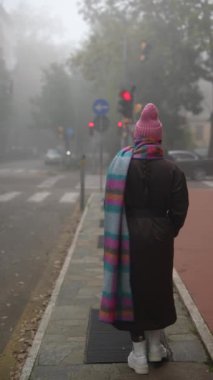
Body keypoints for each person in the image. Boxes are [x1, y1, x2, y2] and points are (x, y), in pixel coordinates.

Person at [99, 103, 189, 375]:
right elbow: (180, 209)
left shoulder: (121, 166)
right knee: (158, 288)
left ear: (136, 136)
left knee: (132, 290)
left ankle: (138, 355)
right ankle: (155, 348)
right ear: (159, 137)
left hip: (128, 236)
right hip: (160, 237)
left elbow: (111, 204)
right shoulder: (172, 170)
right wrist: (167, 230)